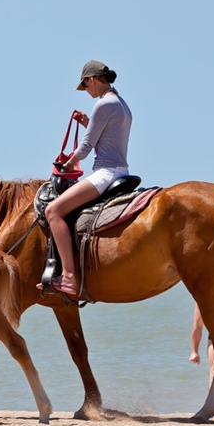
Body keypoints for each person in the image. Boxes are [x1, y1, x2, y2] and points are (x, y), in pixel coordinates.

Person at [44, 60, 133, 295]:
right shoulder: (121, 104)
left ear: (91, 79)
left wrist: (68, 162)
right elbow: (108, 138)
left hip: (105, 173)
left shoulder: (103, 104)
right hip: (120, 170)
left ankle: (70, 277)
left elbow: (86, 146)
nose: (87, 92)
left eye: (86, 86)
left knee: (52, 211)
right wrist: (87, 123)